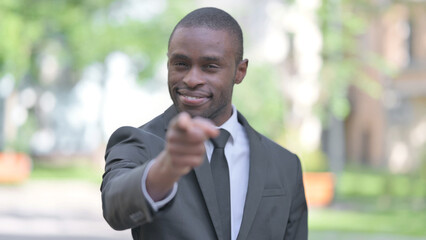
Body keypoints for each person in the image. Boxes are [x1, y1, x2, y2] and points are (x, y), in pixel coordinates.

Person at [101, 7, 308, 240]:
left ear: (240, 72)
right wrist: (166, 168)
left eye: (210, 66)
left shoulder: (285, 164)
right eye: (180, 64)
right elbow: (114, 206)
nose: (191, 79)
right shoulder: (138, 141)